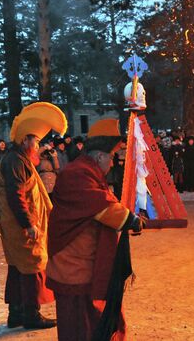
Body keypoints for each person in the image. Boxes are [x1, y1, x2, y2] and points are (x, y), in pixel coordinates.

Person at [46, 118, 144, 341]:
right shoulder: (77, 174)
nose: (112, 163)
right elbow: (100, 205)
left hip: (82, 262)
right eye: (112, 158)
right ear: (100, 156)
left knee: (93, 320)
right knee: (80, 326)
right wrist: (131, 220)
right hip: (73, 265)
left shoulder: (87, 171)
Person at [0, 102, 67, 330]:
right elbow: (16, 195)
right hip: (20, 224)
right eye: (35, 141)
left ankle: (15, 314)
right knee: (32, 266)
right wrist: (28, 224)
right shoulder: (16, 160)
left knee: (17, 266)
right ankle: (31, 315)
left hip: (15, 224)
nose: (37, 145)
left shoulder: (18, 158)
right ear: (25, 140)